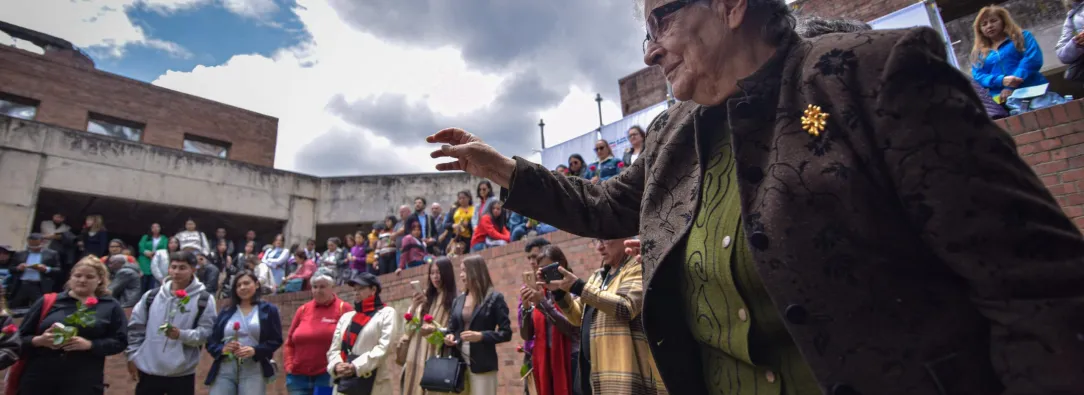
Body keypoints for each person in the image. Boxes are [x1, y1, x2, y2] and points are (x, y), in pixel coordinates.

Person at [425, 0, 1084, 392]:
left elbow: (1039, 290)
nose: (650, 51)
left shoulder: (873, 75)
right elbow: (604, 207)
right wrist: (505, 169)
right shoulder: (674, 132)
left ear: (731, 5)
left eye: (659, 22)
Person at [539, 239, 661, 394]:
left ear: (623, 237)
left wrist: (578, 287)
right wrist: (559, 292)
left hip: (624, 373)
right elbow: (577, 317)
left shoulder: (637, 267)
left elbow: (625, 307)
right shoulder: (598, 276)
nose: (599, 247)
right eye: (596, 240)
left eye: (605, 240)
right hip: (595, 373)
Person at [15, 257, 127, 395]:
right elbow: (18, 338)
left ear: (100, 280)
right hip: (39, 378)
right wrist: (39, 340)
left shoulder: (110, 306)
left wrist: (90, 345)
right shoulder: (48, 301)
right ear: (70, 277)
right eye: (77, 275)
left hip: (83, 380)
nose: (82, 280)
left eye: (89, 277)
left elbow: (120, 341)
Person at [127, 251, 217, 395]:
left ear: (193, 269)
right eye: (173, 267)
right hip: (148, 369)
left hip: (182, 372)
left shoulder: (204, 299)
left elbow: (207, 332)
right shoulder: (151, 296)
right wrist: (133, 355)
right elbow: (136, 327)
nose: (176, 272)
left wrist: (181, 335)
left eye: (182, 268)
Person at [205, 272, 284, 395]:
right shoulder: (226, 311)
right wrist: (222, 349)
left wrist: (255, 350)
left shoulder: (268, 310)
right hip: (225, 369)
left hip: (253, 368)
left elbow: (276, 340)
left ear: (256, 284)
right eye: (238, 285)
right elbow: (211, 341)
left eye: (246, 283)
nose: (242, 287)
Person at [443, 256, 512, 395]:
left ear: (475, 271)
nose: (461, 275)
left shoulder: (494, 298)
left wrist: (481, 336)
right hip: (458, 364)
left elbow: (506, 333)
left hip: (483, 364)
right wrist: (449, 337)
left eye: (464, 271)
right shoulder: (458, 300)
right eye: (461, 271)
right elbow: (451, 329)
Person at [521, 245, 580, 395]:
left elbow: (571, 328)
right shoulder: (542, 293)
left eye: (548, 268)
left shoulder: (574, 290)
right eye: (541, 269)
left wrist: (542, 304)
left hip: (570, 360)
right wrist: (526, 307)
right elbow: (527, 335)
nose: (544, 273)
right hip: (545, 362)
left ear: (561, 265)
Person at [327, 272, 399, 395]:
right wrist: (337, 365)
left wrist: (356, 366)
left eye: (361, 289)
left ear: (373, 290)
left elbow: (384, 347)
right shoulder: (347, 317)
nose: (356, 293)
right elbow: (334, 349)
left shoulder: (386, 313)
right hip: (345, 383)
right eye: (355, 289)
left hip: (374, 383)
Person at [396, 257, 457, 395]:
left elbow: (452, 331)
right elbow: (408, 329)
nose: (435, 277)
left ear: (447, 274)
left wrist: (435, 329)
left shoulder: (454, 301)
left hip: (436, 357)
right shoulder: (425, 297)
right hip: (415, 356)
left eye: (439, 272)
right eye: (432, 273)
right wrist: (414, 307)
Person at [284, 274, 352, 395]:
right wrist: (289, 364)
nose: (317, 290)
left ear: (332, 288)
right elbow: (289, 342)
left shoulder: (343, 308)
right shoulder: (303, 310)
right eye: (314, 287)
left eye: (322, 287)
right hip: (298, 376)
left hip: (326, 375)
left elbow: (352, 340)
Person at [970, 5, 1047, 102]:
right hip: (1001, 100)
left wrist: (1012, 84)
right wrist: (1001, 80)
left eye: (993, 21)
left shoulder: (1022, 36)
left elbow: (1032, 59)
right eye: (984, 24)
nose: (989, 26)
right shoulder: (978, 53)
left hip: (1032, 91)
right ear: (980, 30)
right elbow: (978, 76)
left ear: (1003, 21)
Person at [9, 233, 63, 310]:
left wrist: (46, 269)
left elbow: (58, 270)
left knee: (39, 307)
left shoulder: (52, 254)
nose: (34, 248)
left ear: (42, 242)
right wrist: (18, 268)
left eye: (36, 246)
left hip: (39, 286)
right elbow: (11, 268)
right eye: (31, 246)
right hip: (22, 285)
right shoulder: (20, 254)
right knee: (15, 307)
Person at [137, 223, 169, 292]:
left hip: (158, 260)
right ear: (151, 229)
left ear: (160, 228)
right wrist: (145, 252)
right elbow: (141, 246)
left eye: (157, 227)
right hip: (145, 260)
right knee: (143, 282)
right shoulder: (145, 237)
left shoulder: (164, 238)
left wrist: (155, 254)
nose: (155, 228)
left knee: (153, 283)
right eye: (153, 227)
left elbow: (165, 248)